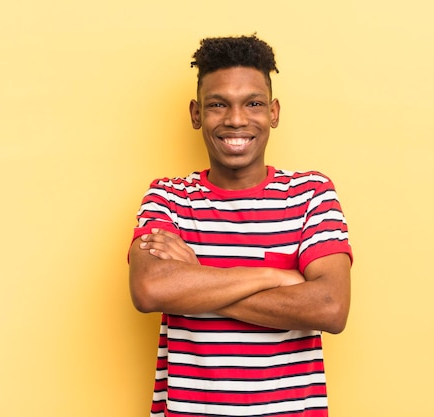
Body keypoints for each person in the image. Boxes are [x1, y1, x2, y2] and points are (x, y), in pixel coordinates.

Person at [128, 34, 352, 417]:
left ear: (274, 112)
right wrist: (278, 277)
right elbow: (150, 289)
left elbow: (330, 307)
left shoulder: (311, 194)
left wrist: (197, 278)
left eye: (253, 103)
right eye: (218, 104)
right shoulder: (168, 198)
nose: (235, 119)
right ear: (196, 113)